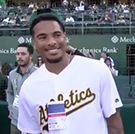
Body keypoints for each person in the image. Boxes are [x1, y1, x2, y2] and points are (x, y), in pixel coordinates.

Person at [18, 9, 124, 134]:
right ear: (34, 43)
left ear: (65, 36)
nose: (52, 42)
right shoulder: (28, 87)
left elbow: (114, 123)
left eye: (57, 35)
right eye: (42, 37)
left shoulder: (97, 69)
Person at [6, 43, 38, 134]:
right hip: (15, 122)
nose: (20, 57)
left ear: (31, 56)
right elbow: (9, 92)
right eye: (18, 54)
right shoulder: (12, 74)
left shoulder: (38, 74)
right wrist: (10, 108)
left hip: (33, 124)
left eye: (23, 54)